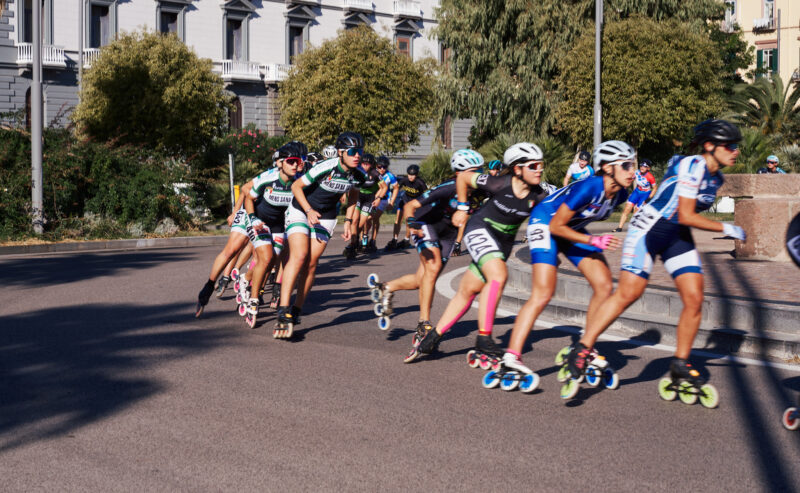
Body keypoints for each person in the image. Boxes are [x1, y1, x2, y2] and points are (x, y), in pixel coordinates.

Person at [569, 120, 746, 406]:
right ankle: (583, 347)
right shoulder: (693, 166)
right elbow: (687, 214)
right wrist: (725, 229)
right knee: (629, 293)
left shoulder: (717, 178)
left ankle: (679, 362)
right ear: (710, 146)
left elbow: (684, 220)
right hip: (649, 229)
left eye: (737, 145)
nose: (735, 151)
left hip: (676, 235)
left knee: (694, 298)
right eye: (730, 146)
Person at [404, 143, 550, 369]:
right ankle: (484, 338)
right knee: (499, 275)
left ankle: (430, 339)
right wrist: (462, 207)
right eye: (533, 165)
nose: (539, 169)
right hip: (480, 229)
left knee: (467, 291)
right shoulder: (498, 182)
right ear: (517, 169)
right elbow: (463, 178)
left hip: (503, 243)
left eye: (541, 164)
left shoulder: (540, 195)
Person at [502, 140, 636, 383]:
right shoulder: (590, 187)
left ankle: (585, 347)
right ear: (606, 168)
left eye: (633, 165)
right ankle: (511, 356)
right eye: (625, 165)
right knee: (543, 292)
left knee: (604, 286)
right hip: (546, 223)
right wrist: (594, 241)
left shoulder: (621, 194)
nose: (632, 171)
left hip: (571, 230)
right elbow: (556, 225)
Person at [369, 149, 485, 336]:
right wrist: (411, 223)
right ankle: (424, 323)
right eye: (475, 172)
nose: (479, 176)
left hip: (448, 234)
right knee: (433, 266)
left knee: (423, 280)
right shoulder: (448, 187)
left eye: (481, 171)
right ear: (459, 173)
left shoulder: (483, 189)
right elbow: (410, 206)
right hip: (425, 224)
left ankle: (386, 287)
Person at [275, 132, 368, 338]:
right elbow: (296, 186)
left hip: (326, 215)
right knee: (299, 256)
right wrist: (308, 211)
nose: (357, 156)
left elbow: (353, 195)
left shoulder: (358, 174)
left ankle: (296, 310)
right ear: (341, 153)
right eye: (352, 152)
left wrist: (348, 221)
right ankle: (282, 309)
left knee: (311, 263)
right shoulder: (327, 166)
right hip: (301, 208)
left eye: (360, 152)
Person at [238, 142, 303, 327]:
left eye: (298, 162)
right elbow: (248, 196)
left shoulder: (299, 182)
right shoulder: (268, 178)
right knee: (266, 258)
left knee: (272, 260)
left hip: (278, 224)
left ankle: (245, 279)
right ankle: (254, 300)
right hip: (259, 221)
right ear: (281, 163)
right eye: (291, 161)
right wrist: (252, 218)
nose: (295, 166)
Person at [345, 153, 387, 257]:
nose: (365, 166)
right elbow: (348, 183)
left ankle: (355, 242)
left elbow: (384, 188)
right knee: (354, 220)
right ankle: (352, 244)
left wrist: (378, 198)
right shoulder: (356, 171)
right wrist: (344, 194)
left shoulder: (375, 174)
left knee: (361, 224)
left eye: (368, 164)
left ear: (372, 165)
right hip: (358, 196)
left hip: (369, 199)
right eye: (363, 163)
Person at [386, 164, 427, 250]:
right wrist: (391, 198)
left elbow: (426, 195)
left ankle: (406, 240)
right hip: (404, 200)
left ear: (416, 175)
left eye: (413, 175)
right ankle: (395, 239)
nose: (410, 177)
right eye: (409, 174)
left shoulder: (420, 183)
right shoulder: (404, 180)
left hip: (413, 203)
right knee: (398, 219)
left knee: (409, 221)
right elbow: (395, 188)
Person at [614, 159, 657, 232]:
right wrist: (624, 187)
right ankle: (619, 227)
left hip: (645, 194)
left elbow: (655, 188)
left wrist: (649, 198)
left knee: (636, 212)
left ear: (648, 168)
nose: (642, 167)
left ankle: (633, 229)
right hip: (636, 192)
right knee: (627, 209)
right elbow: (630, 179)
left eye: (645, 166)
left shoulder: (650, 177)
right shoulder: (637, 172)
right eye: (641, 165)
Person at [368, 156, 400, 251]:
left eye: (384, 167)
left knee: (373, 218)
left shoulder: (390, 176)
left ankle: (373, 240)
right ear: (376, 166)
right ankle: (362, 239)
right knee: (366, 219)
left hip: (383, 200)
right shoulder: (371, 172)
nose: (382, 169)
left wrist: (392, 202)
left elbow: (396, 188)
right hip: (370, 198)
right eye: (380, 166)